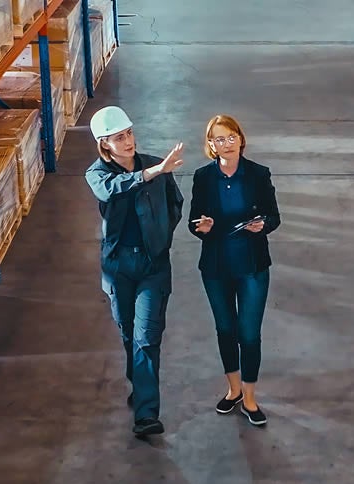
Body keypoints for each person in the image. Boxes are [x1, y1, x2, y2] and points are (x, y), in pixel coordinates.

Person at [85, 105, 186, 436]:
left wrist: (161, 238)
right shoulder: (96, 174)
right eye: (119, 137)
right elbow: (111, 190)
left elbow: (175, 205)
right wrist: (150, 174)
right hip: (117, 266)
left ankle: (146, 414)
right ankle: (140, 384)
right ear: (105, 145)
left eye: (129, 133)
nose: (128, 141)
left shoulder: (157, 165)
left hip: (152, 265)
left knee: (146, 337)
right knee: (128, 333)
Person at [188, 114, 280, 427]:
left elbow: (274, 217)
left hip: (252, 265)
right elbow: (193, 221)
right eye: (217, 139)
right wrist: (203, 227)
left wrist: (262, 225)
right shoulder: (203, 177)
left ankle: (250, 398)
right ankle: (233, 389)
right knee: (225, 329)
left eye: (230, 137)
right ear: (210, 145)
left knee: (249, 333)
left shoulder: (258, 174)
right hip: (216, 266)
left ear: (240, 138)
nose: (225, 144)